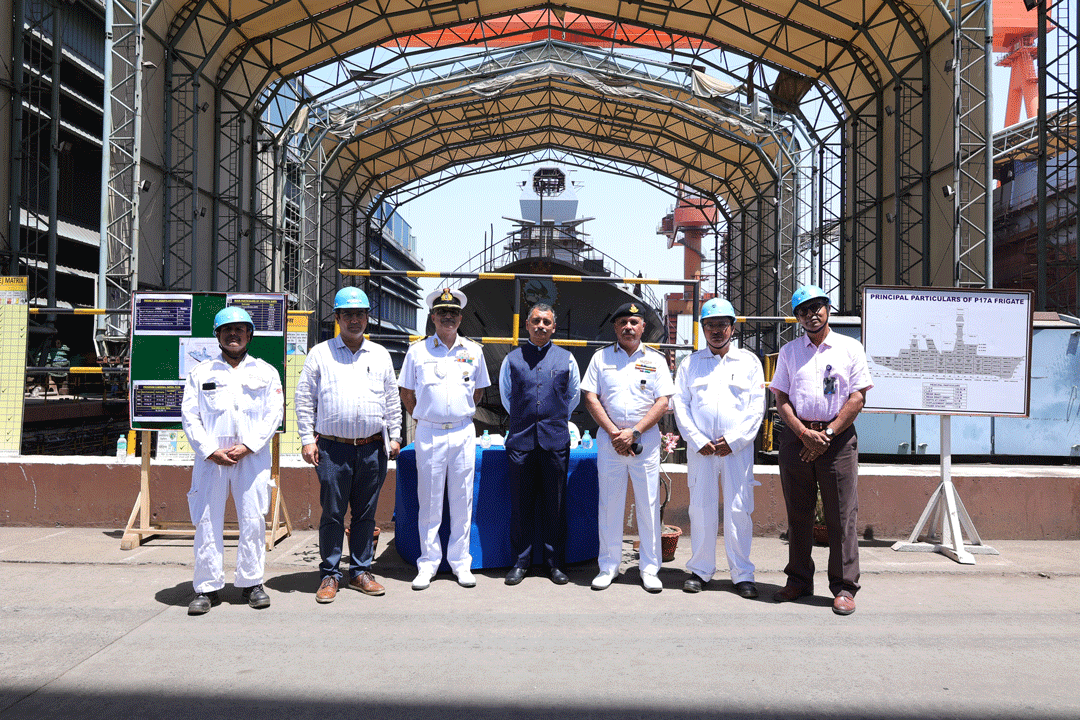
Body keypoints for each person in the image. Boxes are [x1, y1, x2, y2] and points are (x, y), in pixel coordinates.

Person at [769, 285, 873, 616]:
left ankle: (844, 587)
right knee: (798, 513)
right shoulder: (789, 352)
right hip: (797, 439)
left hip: (837, 440)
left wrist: (826, 434)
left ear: (828, 309)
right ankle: (799, 579)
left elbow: (857, 398)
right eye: (804, 310)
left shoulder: (849, 348)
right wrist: (802, 433)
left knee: (841, 514)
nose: (812, 314)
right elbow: (781, 398)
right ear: (797, 318)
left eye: (818, 307)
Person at [295, 286, 402, 604]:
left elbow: (391, 399)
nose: (355, 320)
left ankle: (359, 571)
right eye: (348, 314)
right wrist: (305, 439)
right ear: (337, 318)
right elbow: (303, 399)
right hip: (332, 448)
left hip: (371, 448)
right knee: (332, 513)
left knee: (366, 513)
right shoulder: (320, 353)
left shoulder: (380, 355)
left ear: (367, 318)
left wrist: (395, 436)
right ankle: (329, 574)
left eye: (360, 314)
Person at [181, 306, 284, 615]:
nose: (234, 334)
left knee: (253, 520)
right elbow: (190, 416)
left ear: (250, 335)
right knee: (207, 522)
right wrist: (210, 449)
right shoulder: (202, 373)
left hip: (251, 459)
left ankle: (252, 583)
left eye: (240, 329)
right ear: (218, 336)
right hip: (211, 460)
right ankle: (207, 588)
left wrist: (249, 446)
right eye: (227, 330)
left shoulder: (265, 372)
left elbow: (273, 414)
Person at [672, 298, 765, 598]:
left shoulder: (749, 362)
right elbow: (680, 405)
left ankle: (742, 574)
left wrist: (734, 441)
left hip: (736, 452)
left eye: (722, 325)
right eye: (710, 325)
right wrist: (698, 440)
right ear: (702, 328)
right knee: (700, 509)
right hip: (702, 451)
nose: (716, 331)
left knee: (739, 510)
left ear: (732, 327)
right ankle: (700, 570)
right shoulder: (691, 364)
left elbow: (756, 407)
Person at [399, 288, 490, 590]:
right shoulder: (418, 351)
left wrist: (457, 414)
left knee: (462, 500)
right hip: (429, 432)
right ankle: (428, 563)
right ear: (433, 317)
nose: (448, 317)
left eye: (453, 314)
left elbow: (477, 392)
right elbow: (407, 393)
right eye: (442, 313)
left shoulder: (474, 351)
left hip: (463, 430)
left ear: (460, 318)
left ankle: (461, 562)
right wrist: (427, 416)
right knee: (430, 501)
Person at [581, 302, 674, 593]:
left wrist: (633, 432)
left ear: (643, 327)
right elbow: (590, 397)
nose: (628, 327)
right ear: (615, 328)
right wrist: (614, 433)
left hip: (643, 441)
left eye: (634, 322)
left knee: (647, 505)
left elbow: (663, 401)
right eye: (622, 322)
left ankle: (649, 568)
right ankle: (608, 566)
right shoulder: (601, 358)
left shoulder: (656, 360)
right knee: (609, 505)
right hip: (611, 443)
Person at [499, 303, 580, 586]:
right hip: (521, 441)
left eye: (546, 322)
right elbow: (506, 396)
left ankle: (555, 564)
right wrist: (527, 418)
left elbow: (573, 397)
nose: (541, 326)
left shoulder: (567, 359)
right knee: (521, 505)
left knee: (554, 505)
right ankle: (520, 563)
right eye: (535, 321)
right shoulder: (512, 359)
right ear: (527, 325)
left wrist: (552, 419)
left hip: (555, 441)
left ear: (554, 327)